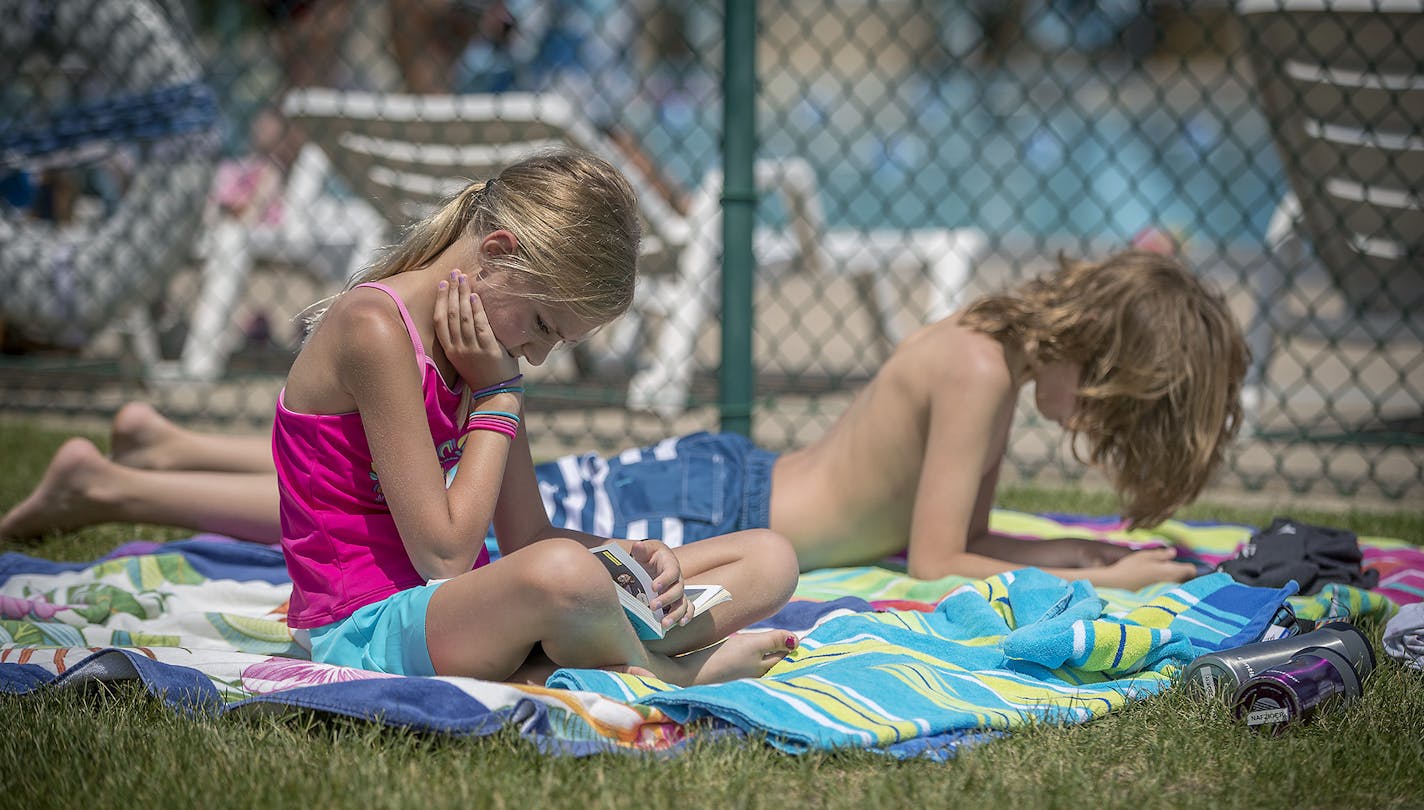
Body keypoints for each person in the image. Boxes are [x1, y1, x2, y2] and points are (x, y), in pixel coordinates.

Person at [7, 149, 801, 685]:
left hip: (467, 601)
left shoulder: (484, 348)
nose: (541, 357)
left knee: (769, 556)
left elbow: (526, 536)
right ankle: (666, 672)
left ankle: (623, 633)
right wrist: (497, 401)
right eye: (547, 328)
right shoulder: (377, 331)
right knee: (561, 581)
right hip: (368, 630)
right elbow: (447, 559)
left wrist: (635, 556)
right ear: (496, 252)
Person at [2, 249, 1246, 591]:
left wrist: (1069, 550)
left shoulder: (983, 353)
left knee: (424, 473)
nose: (1084, 430)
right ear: (1102, 361)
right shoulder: (977, 372)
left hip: (714, 486)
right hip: (706, 507)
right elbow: (937, 562)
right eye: (1108, 414)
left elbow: (955, 539)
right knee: (416, 505)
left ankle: (166, 445)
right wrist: (1088, 566)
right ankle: (118, 487)